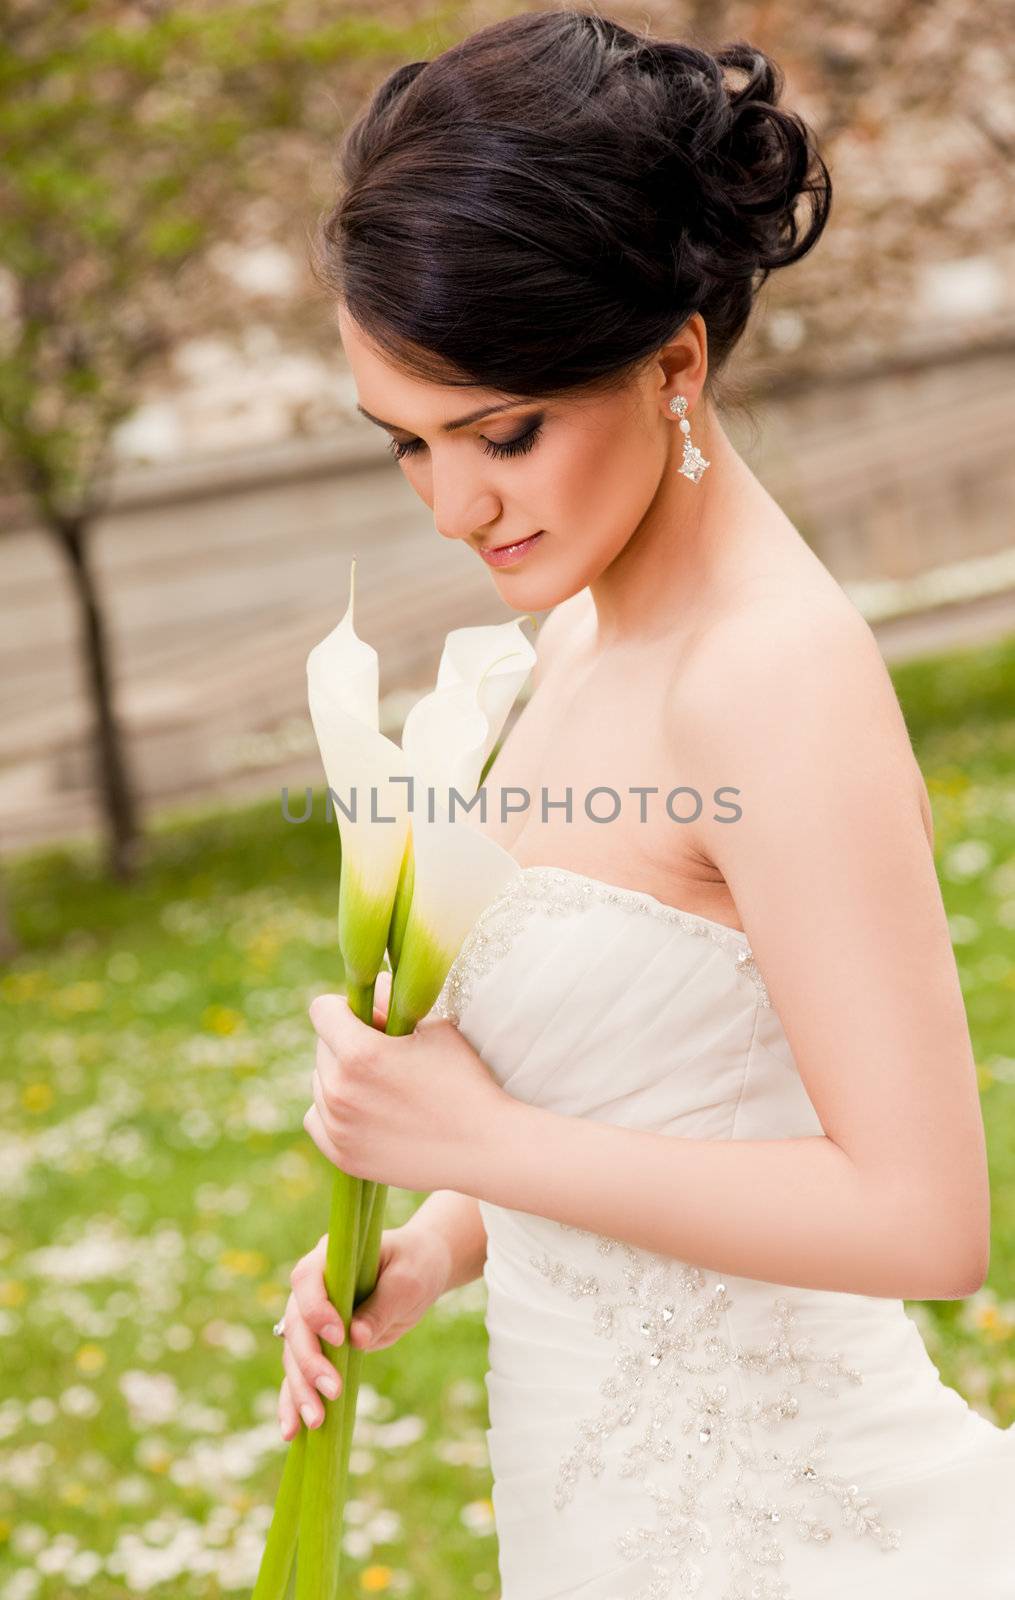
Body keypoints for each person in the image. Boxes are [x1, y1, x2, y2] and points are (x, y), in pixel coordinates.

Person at [274, 10, 1015, 1596]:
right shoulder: (583, 629)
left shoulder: (770, 676)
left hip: (801, 1541)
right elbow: (658, 1081)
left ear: (675, 359)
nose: (455, 504)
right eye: (405, 444)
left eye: (503, 433)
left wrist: (481, 1139)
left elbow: (925, 1218)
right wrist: (441, 1232)